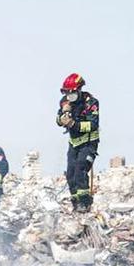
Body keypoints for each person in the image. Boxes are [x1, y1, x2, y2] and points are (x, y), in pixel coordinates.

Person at [56, 73, 99, 212]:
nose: (69, 95)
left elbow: (92, 125)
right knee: (70, 174)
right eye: (66, 92)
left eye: (72, 92)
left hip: (88, 143)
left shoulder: (91, 103)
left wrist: (74, 124)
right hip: (74, 143)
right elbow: (57, 120)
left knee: (80, 169)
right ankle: (75, 202)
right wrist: (62, 117)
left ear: (79, 90)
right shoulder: (65, 102)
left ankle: (85, 203)